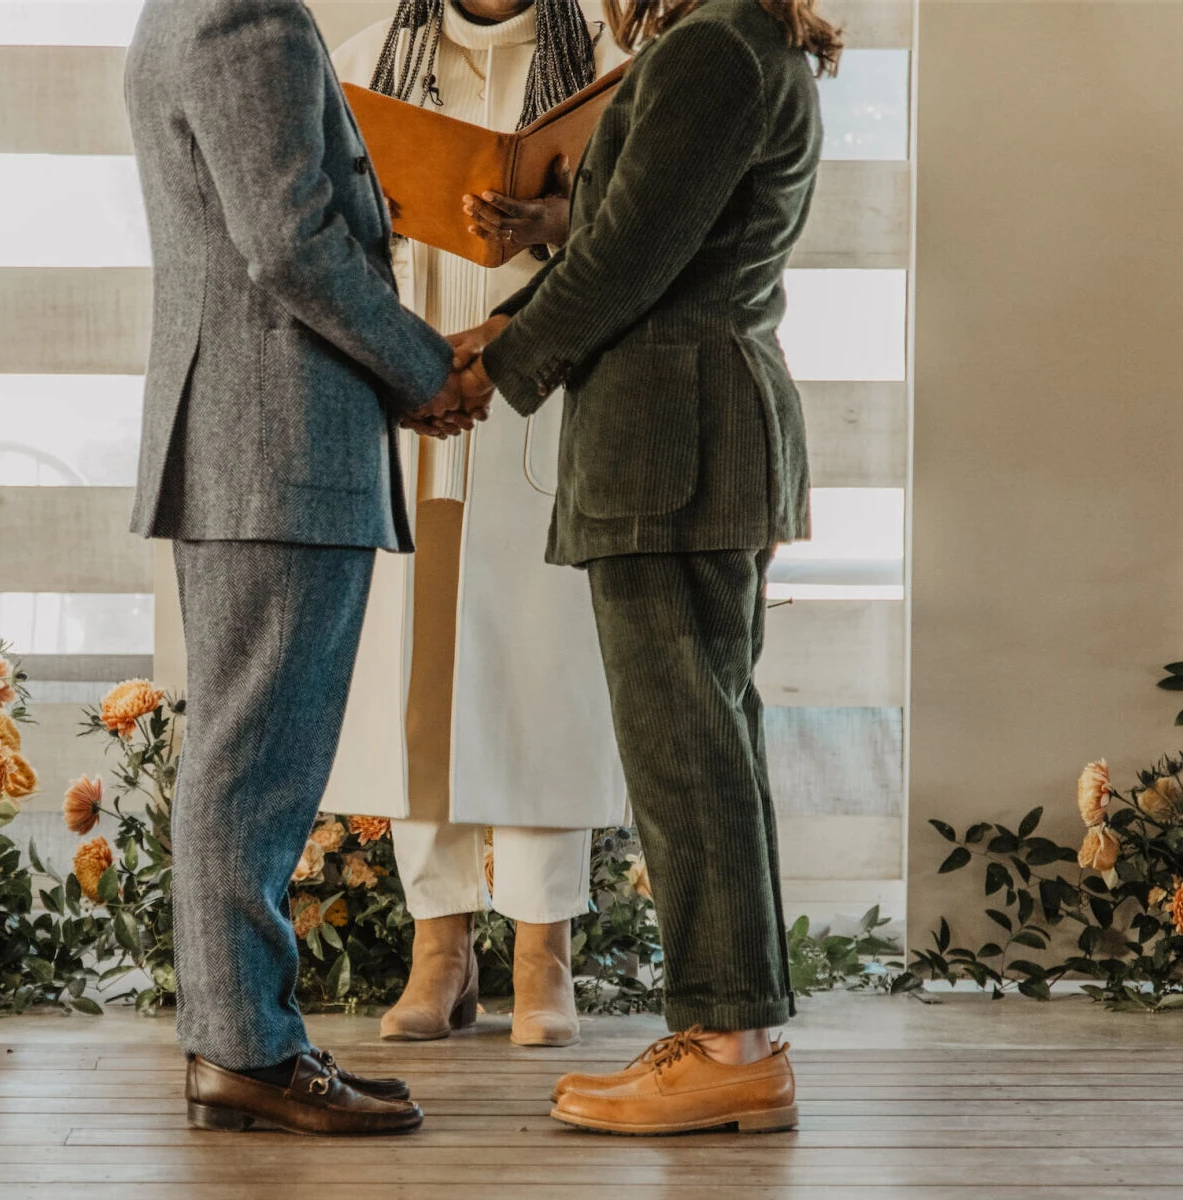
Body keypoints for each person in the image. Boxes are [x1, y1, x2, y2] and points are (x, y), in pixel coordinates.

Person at [448, 0, 841, 1135]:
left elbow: (631, 254)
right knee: (702, 738)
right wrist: (508, 324)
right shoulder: (731, 40)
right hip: (689, 428)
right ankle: (732, 1032)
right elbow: (641, 236)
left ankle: (730, 1046)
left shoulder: (711, 48)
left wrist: (493, 363)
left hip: (675, 437)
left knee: (684, 747)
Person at [123, 0, 491, 1136]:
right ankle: (245, 1053)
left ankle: (245, 1040)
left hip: (252, 444)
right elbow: (287, 241)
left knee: (243, 758)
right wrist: (422, 365)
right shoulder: (247, 19)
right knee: (254, 767)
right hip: (275, 444)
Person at [324, 0, 629, 1050]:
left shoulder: (601, 56)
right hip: (417, 406)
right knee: (419, 684)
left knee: (546, 676)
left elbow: (647, 225)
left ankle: (543, 953)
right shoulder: (369, 62)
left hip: (545, 407)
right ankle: (439, 948)